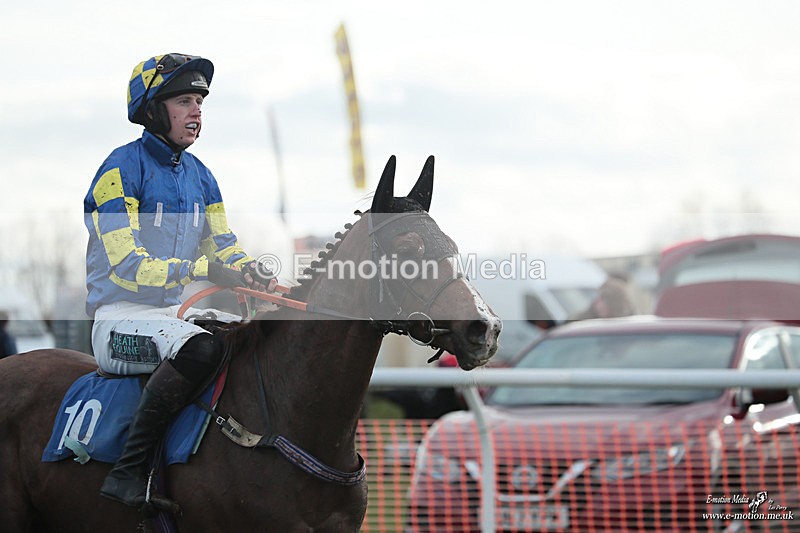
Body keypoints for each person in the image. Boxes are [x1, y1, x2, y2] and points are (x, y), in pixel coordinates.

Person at [84, 53, 276, 508]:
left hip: (169, 314)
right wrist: (203, 270)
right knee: (201, 347)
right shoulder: (118, 170)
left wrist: (249, 269)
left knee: (241, 335)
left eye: (200, 103)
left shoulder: (203, 178)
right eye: (184, 101)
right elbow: (126, 266)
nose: (196, 112)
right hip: (116, 320)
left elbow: (223, 246)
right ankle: (128, 474)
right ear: (152, 110)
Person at [570, 276, 635, 320]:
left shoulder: (630, 322)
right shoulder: (581, 322)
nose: (598, 304)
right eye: (600, 299)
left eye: (605, 300)